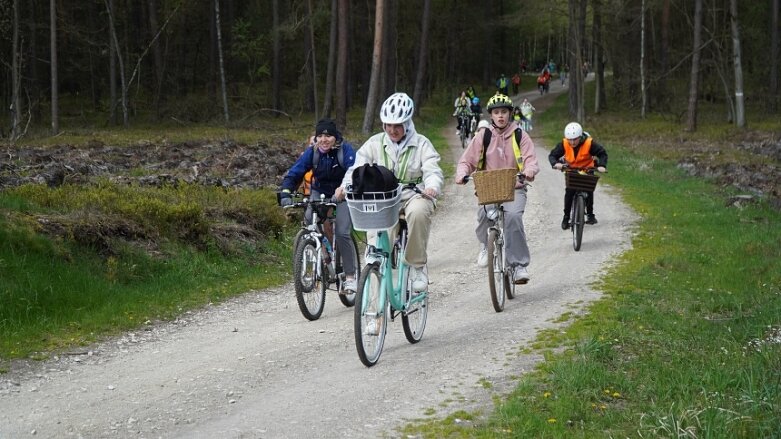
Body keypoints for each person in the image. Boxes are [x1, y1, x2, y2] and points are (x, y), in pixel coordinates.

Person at [336, 92, 443, 292]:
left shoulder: (421, 143)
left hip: (414, 195)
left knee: (418, 213)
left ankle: (417, 265)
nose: (392, 130)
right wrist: (345, 186)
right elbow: (356, 169)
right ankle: (375, 257)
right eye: (388, 125)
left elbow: (433, 169)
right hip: (384, 199)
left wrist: (432, 186)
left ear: (407, 124)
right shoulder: (374, 143)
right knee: (375, 220)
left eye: (398, 125)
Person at [455, 94, 540, 283]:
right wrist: (461, 174)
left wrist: (529, 171)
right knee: (483, 216)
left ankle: (518, 266)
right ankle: (486, 246)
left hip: (514, 187)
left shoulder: (519, 135)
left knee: (513, 218)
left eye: (504, 112)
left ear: (510, 114)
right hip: (489, 187)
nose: (500, 116)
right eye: (496, 112)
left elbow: (530, 160)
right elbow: (466, 160)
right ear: (491, 115)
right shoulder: (483, 135)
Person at [280, 118, 359, 292]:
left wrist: (345, 189)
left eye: (328, 135)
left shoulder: (345, 151)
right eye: (320, 136)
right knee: (310, 221)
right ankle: (323, 255)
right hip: (320, 191)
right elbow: (296, 171)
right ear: (316, 138)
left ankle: (351, 276)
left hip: (343, 192)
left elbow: (355, 171)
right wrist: (285, 192)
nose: (324, 139)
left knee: (342, 232)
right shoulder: (313, 152)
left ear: (335, 137)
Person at [548, 122, 608, 229]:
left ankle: (590, 214)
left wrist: (602, 165)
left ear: (580, 137)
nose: (572, 142)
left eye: (574, 139)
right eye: (570, 139)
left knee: (589, 190)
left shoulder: (589, 143)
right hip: (571, 170)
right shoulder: (564, 143)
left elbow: (602, 153)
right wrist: (556, 164)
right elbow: (553, 155)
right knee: (569, 192)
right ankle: (566, 217)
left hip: (587, 169)